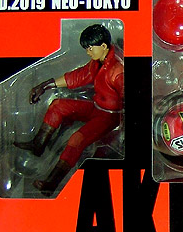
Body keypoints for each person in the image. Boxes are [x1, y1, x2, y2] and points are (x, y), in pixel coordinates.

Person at [14, 24, 124, 195]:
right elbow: (79, 76)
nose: (88, 52)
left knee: (77, 139)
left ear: (103, 46)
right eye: (86, 49)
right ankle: (38, 144)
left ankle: (51, 183)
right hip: (96, 108)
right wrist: (45, 85)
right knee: (58, 105)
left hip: (110, 117)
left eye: (90, 48)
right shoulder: (98, 62)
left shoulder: (117, 71)